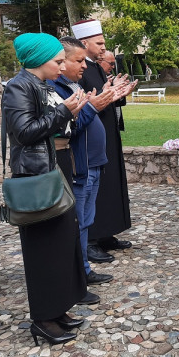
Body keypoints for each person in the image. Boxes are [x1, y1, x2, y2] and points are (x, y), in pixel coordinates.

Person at [2, 32, 90, 345]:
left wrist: (67, 112)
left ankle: (57, 309)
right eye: (57, 60)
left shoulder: (36, 85)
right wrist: (64, 111)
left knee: (61, 242)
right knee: (43, 251)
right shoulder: (18, 87)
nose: (62, 64)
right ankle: (43, 318)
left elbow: (44, 127)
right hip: (33, 178)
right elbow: (25, 133)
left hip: (47, 171)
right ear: (39, 60)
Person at [49, 37, 125, 286]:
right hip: (80, 164)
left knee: (85, 220)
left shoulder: (72, 86)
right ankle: (80, 271)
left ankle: (83, 270)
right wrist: (93, 106)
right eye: (78, 61)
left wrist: (104, 99)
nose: (84, 66)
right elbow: (67, 128)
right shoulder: (56, 89)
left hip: (92, 162)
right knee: (78, 221)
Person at [72, 19, 138, 262]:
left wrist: (119, 94)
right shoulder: (80, 71)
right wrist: (105, 96)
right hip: (90, 135)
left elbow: (105, 97)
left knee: (109, 184)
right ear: (84, 42)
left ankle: (108, 231)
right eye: (99, 43)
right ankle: (91, 239)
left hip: (107, 134)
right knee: (93, 189)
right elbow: (87, 101)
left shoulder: (96, 67)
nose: (103, 47)